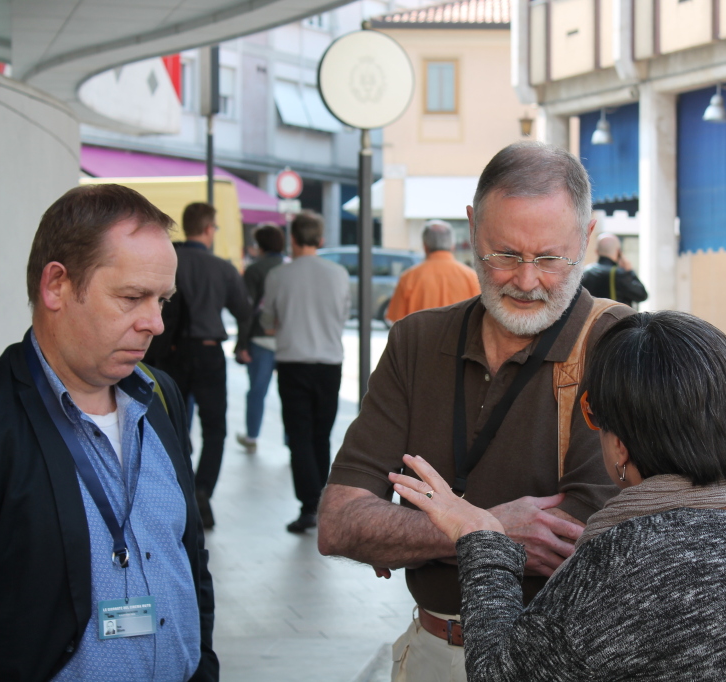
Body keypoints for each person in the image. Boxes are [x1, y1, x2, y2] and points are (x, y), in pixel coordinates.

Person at [392, 310, 726, 681]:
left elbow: (502, 674)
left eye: (594, 416)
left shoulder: (624, 560)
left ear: (622, 444)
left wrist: (483, 538)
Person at [317, 141, 632, 682]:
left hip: (564, 662)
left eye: (551, 258)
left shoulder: (623, 343)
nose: (527, 281)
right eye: (504, 254)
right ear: (470, 230)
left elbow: (586, 543)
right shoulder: (417, 340)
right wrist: (491, 530)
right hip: (432, 650)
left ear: (586, 237)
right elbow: (340, 522)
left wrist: (417, 530)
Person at [0, 184, 218, 681]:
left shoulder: (161, 395)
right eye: (132, 298)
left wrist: (204, 663)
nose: (156, 323)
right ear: (56, 286)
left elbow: (188, 556)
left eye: (163, 300)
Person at [260, 211, 350, 533]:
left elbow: (267, 320)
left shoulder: (278, 277)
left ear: (292, 239)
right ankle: (323, 503)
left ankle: (308, 506)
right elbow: (343, 314)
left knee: (299, 437)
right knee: (321, 436)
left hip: (292, 363)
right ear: (321, 240)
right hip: (329, 364)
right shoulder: (339, 274)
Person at [164, 202, 252, 529]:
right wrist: (242, 346)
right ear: (208, 229)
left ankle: (181, 490)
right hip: (210, 353)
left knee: (173, 425)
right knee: (215, 428)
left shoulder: (169, 262)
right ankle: (202, 491)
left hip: (172, 353)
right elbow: (244, 311)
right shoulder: (221, 267)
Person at [235, 223, 286, 454]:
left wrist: (241, 344)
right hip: (288, 342)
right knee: (289, 394)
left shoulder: (255, 270)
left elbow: (246, 311)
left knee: (257, 390)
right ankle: (289, 440)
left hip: (260, 340)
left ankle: (252, 437)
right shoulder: (290, 267)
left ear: (260, 245)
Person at [385, 219, 480, 323]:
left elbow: (397, 321)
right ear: (452, 246)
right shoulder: (472, 278)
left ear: (425, 246)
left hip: (420, 339)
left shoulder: (408, 278)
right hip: (461, 339)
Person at [580, 232, 647, 308]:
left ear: (597, 251)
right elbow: (642, 295)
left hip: (590, 318)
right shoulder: (619, 274)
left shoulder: (585, 272)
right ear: (618, 252)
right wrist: (630, 271)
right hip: (616, 318)